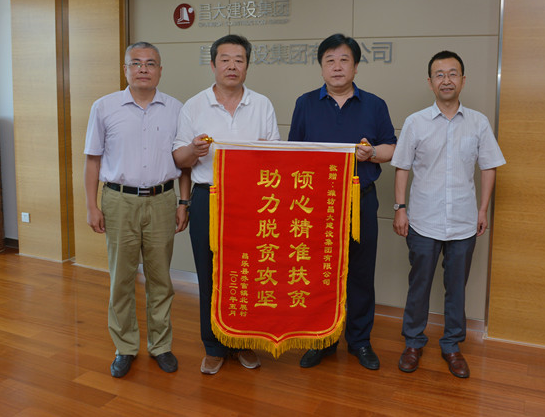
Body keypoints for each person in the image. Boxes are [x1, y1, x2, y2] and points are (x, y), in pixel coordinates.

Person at [391, 50, 505, 377]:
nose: (446, 80)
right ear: (430, 82)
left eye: (452, 74)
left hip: (464, 222)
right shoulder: (415, 122)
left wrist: (483, 210)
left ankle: (452, 346)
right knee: (419, 285)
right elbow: (402, 168)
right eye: (439, 75)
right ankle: (413, 342)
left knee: (456, 289)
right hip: (422, 221)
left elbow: (489, 167)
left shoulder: (478, 122)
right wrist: (400, 209)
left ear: (463, 81)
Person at [172, 34, 280, 375]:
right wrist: (193, 150)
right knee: (210, 273)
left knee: (247, 272)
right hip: (209, 197)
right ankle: (214, 346)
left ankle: (244, 342)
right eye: (225, 59)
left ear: (247, 65)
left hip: (252, 201)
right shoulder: (194, 106)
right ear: (213, 64)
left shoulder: (262, 104)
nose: (232, 66)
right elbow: (179, 159)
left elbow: (277, 156)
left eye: (239, 60)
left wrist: (264, 153)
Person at [288, 33, 396, 370]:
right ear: (321, 67)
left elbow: (391, 148)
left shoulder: (375, 105)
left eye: (344, 60)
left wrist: (371, 153)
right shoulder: (305, 103)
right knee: (320, 272)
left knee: (360, 273)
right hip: (316, 204)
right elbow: (293, 153)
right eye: (330, 61)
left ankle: (359, 341)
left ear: (356, 66)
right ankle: (322, 339)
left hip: (360, 201)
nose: (337, 67)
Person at [84, 41, 191, 379]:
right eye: (136, 63)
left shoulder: (176, 109)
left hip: (162, 200)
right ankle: (125, 347)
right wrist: (92, 205)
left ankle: (161, 345)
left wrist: (183, 202)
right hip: (118, 201)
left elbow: (184, 163)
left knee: (161, 279)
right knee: (121, 279)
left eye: (150, 63)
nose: (143, 69)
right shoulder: (104, 107)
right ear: (125, 69)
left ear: (160, 70)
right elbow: (92, 160)